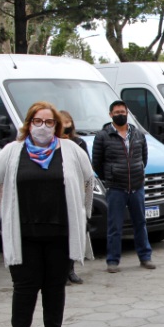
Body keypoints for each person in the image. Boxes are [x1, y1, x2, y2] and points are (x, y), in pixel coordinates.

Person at [0, 101, 93, 327]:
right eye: (37, 121)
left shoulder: (70, 150)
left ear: (56, 125)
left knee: (54, 289)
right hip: (24, 236)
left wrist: (83, 211)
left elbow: (88, 179)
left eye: (49, 122)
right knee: (24, 290)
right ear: (28, 123)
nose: (43, 127)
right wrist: (2, 213)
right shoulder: (12, 151)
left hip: (60, 234)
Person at [92, 100, 155, 273]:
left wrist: (137, 172)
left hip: (136, 186)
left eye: (123, 112)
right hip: (116, 188)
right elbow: (97, 163)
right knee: (115, 226)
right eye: (117, 112)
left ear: (127, 113)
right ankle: (112, 261)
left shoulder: (138, 134)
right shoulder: (102, 136)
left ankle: (145, 257)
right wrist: (111, 176)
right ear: (110, 115)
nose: (120, 114)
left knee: (140, 223)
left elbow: (144, 159)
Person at [60, 110, 88, 284]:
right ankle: (59, 272)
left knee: (74, 231)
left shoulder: (79, 143)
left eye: (68, 122)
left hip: (76, 192)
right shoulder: (52, 144)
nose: (65, 126)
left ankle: (70, 269)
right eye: (62, 123)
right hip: (58, 194)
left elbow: (87, 167)